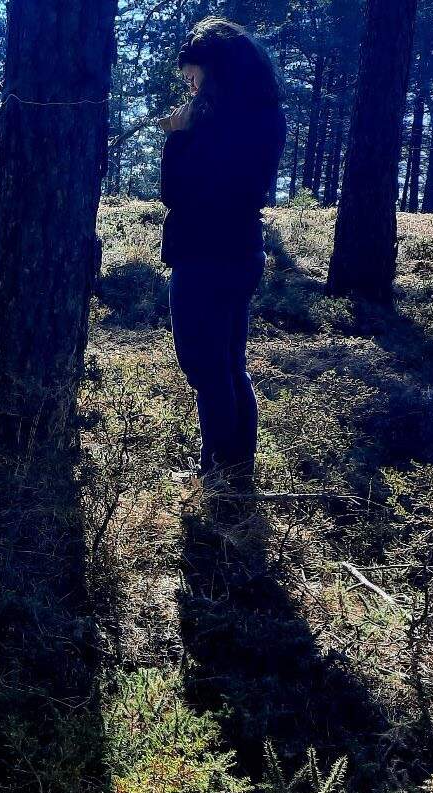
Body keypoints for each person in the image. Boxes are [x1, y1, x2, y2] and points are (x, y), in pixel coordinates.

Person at [158, 17, 287, 494]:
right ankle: (236, 473)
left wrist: (179, 135)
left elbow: (177, 192)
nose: (190, 88)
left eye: (193, 78)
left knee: (205, 367)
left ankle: (217, 477)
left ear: (214, 70)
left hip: (203, 255)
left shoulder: (213, 125)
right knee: (230, 365)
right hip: (242, 251)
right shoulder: (265, 116)